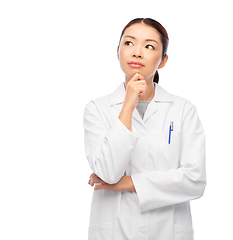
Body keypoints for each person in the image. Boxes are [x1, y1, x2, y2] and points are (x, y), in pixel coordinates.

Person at [84, 18, 206, 240]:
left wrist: (128, 183)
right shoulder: (97, 109)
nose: (137, 52)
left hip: (167, 231)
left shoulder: (182, 110)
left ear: (163, 60)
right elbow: (107, 172)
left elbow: (195, 180)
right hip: (114, 232)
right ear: (118, 52)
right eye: (129, 43)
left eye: (149, 46)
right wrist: (128, 104)